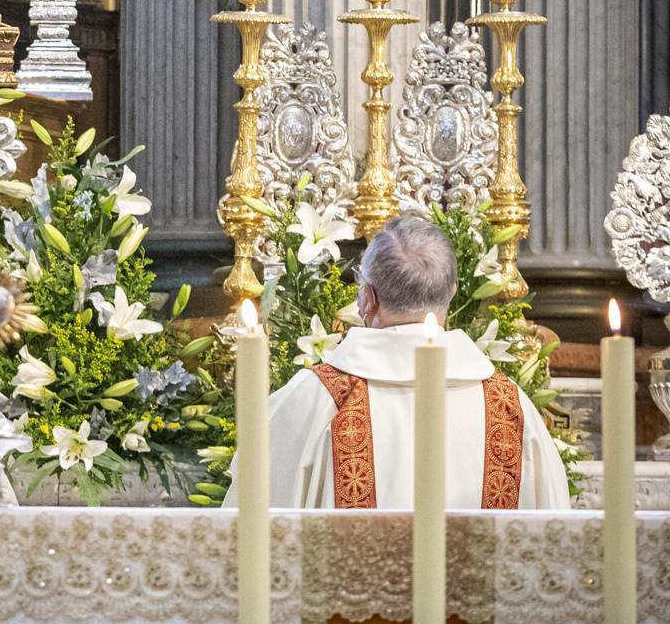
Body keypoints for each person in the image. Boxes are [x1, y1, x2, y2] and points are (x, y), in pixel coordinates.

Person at [228, 215, 570, 510]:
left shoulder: (313, 400)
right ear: (452, 292)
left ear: (367, 297)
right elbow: (552, 531)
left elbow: (250, 526)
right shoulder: (509, 406)